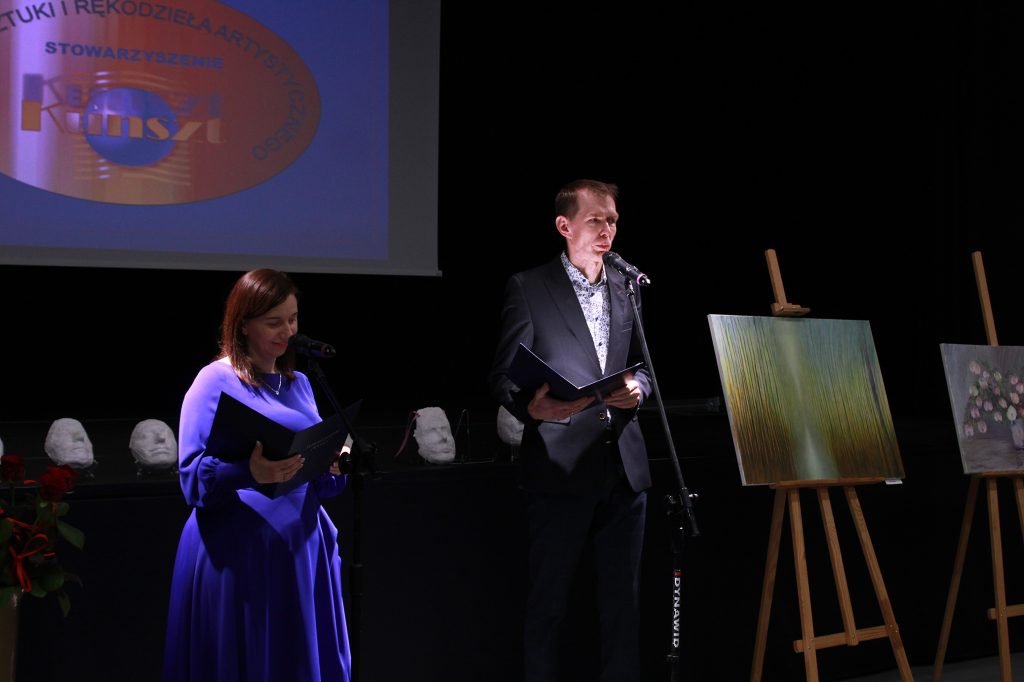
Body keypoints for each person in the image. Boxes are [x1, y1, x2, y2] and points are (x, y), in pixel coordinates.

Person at [488, 179, 652, 681]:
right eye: (595, 219)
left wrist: (639, 389)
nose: (607, 230)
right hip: (560, 466)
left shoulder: (625, 285)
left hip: (623, 466)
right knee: (550, 605)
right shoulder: (529, 286)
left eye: (613, 220)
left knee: (622, 606)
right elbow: (502, 375)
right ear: (565, 225)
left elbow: (643, 364)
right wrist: (532, 408)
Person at [163, 268, 351, 682]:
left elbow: (319, 480)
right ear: (244, 324)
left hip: (298, 552)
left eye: (293, 319)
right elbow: (191, 477)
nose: (288, 332)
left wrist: (333, 462)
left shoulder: (300, 384)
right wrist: (249, 471)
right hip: (240, 555)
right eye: (274, 322)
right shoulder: (214, 380)